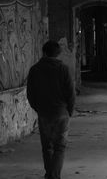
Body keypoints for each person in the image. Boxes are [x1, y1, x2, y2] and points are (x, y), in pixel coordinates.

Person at [27, 40, 76, 179]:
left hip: (44, 114)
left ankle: (50, 174)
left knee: (47, 147)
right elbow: (71, 93)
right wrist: (69, 111)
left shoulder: (35, 69)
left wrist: (38, 108)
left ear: (44, 52)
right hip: (61, 113)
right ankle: (53, 176)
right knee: (59, 147)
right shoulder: (63, 69)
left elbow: (30, 93)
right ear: (58, 54)